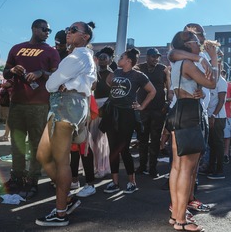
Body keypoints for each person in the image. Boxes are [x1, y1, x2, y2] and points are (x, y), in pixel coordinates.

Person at [35, 21, 97, 227]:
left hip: (66, 106)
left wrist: (57, 82)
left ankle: (61, 212)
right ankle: (68, 198)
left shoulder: (78, 56)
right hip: (66, 106)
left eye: (73, 30)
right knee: (42, 155)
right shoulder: (81, 56)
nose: (68, 32)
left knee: (61, 161)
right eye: (68, 29)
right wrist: (58, 82)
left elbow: (50, 83)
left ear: (85, 36)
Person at [2, 19, 60, 198]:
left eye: (49, 30)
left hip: (40, 105)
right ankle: (16, 177)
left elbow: (57, 76)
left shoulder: (51, 51)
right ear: (34, 28)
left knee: (36, 144)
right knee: (17, 143)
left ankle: (32, 180)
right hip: (17, 102)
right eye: (44, 29)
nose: (47, 33)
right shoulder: (17, 48)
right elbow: (5, 72)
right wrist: (13, 71)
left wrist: (42, 73)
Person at [166, 30, 217, 232]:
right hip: (189, 113)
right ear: (186, 45)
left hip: (179, 111)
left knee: (178, 168)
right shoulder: (186, 62)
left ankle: (175, 215)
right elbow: (212, 83)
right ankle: (181, 220)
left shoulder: (179, 63)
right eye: (196, 41)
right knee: (187, 169)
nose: (199, 44)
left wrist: (200, 89)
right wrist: (213, 60)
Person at [101, 48, 155, 194]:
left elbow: (153, 91)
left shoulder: (138, 75)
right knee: (113, 148)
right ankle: (115, 182)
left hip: (127, 114)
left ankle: (132, 182)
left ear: (129, 61)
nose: (119, 58)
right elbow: (108, 81)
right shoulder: (116, 72)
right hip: (111, 112)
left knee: (124, 149)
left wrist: (141, 106)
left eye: (122, 57)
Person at [135, 48, 171, 178]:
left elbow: (168, 86)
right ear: (147, 57)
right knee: (142, 139)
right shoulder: (139, 68)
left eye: (157, 57)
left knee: (155, 139)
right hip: (142, 109)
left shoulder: (162, 69)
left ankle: (153, 168)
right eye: (153, 57)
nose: (156, 59)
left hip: (158, 109)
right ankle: (142, 166)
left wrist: (167, 103)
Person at [91, 46, 115, 178]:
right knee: (94, 139)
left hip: (107, 107)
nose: (101, 60)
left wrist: (104, 107)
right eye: (100, 58)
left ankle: (104, 167)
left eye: (104, 58)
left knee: (105, 139)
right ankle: (96, 166)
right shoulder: (93, 74)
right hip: (95, 106)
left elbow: (114, 94)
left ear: (110, 60)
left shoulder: (112, 74)